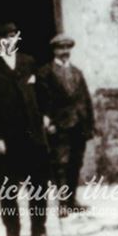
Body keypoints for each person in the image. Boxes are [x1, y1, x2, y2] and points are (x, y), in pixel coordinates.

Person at [0, 21, 49, 236]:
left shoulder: (29, 62)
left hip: (32, 136)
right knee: (8, 190)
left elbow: (42, 93)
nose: (9, 41)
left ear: (18, 38)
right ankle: (12, 232)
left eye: (12, 36)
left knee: (38, 187)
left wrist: (45, 116)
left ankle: (39, 229)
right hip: (6, 139)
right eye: (3, 38)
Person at [36, 34, 95, 219]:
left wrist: (90, 124)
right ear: (54, 50)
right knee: (60, 163)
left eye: (68, 48)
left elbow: (86, 99)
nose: (65, 52)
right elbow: (41, 101)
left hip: (79, 124)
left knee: (75, 163)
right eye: (61, 48)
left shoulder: (77, 72)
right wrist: (47, 121)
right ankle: (62, 203)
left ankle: (72, 200)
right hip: (59, 125)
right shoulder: (45, 72)